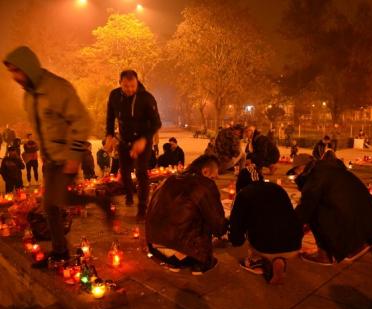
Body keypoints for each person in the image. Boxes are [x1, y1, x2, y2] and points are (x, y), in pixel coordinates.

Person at [4, 46, 92, 267]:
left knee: (55, 203)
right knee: (52, 205)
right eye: (11, 72)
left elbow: (81, 121)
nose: (15, 77)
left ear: (29, 68)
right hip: (51, 159)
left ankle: (63, 249)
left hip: (66, 156)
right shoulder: (30, 96)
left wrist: (74, 157)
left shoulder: (57, 88)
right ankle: (60, 251)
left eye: (17, 71)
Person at [290, 154, 372, 265]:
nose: (296, 175)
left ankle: (324, 254)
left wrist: (292, 228)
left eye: (295, 172)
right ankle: (361, 242)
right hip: (371, 224)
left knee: (314, 213)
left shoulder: (315, 177)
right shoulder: (331, 169)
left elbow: (305, 208)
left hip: (350, 220)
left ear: (301, 168)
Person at [146, 155, 227, 275]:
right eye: (213, 177)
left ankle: (173, 261)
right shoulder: (205, 185)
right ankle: (200, 265)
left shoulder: (169, 179)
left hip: (154, 248)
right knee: (206, 220)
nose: (214, 179)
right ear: (205, 171)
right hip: (185, 254)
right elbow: (218, 226)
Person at [229, 167, 303, 285]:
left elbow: (236, 225)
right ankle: (278, 258)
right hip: (294, 243)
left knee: (250, 224)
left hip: (265, 245)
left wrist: (235, 240)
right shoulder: (278, 189)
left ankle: (255, 261)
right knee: (270, 221)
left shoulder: (244, 194)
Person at [105, 70, 162, 217]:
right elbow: (110, 117)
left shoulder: (146, 98)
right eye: (126, 86)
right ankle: (129, 194)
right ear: (120, 83)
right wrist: (110, 135)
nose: (129, 89)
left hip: (143, 139)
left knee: (141, 172)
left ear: (137, 83)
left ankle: (142, 207)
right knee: (124, 172)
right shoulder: (114, 96)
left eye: (132, 86)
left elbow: (156, 123)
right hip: (124, 140)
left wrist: (144, 140)